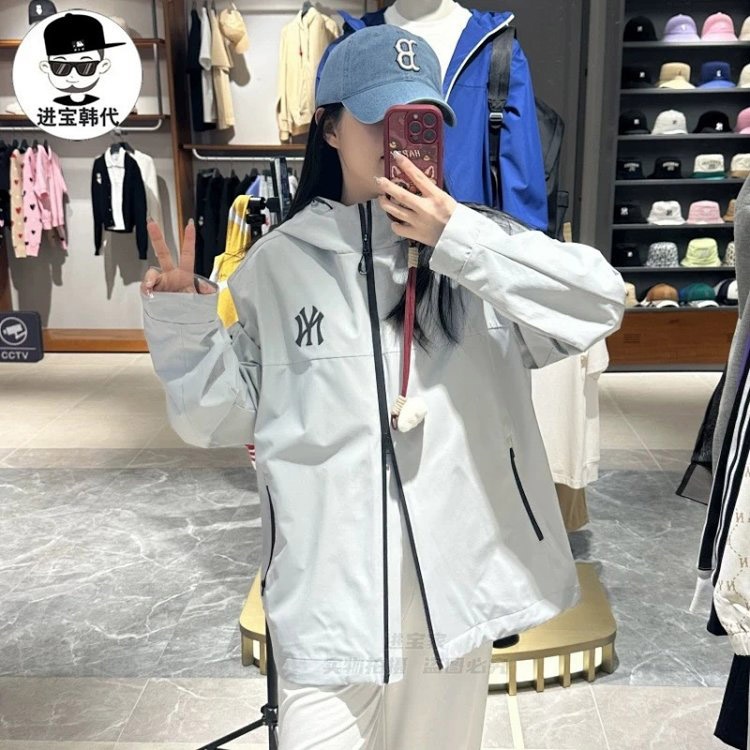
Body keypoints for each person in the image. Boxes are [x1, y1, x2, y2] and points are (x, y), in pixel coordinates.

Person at [140, 24, 625, 750]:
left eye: (420, 120)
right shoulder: (277, 265)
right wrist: (184, 322)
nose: (399, 139)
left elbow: (599, 303)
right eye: (378, 118)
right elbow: (216, 416)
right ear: (331, 129)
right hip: (327, 602)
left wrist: (457, 238)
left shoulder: (479, 251)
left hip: (453, 602)